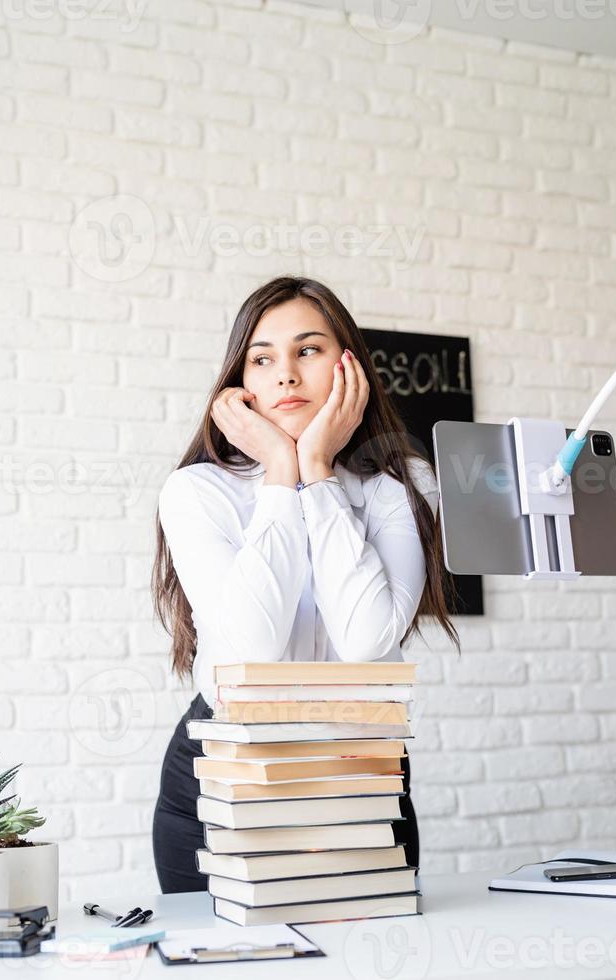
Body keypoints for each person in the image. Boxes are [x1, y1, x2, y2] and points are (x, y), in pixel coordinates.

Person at [151, 275, 460, 894]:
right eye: (262, 358)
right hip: (224, 769)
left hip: (358, 768)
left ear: (349, 364)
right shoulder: (196, 490)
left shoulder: (400, 485)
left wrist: (315, 472)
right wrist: (279, 472)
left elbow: (368, 641)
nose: (285, 374)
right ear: (241, 381)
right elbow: (252, 645)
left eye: (308, 350)